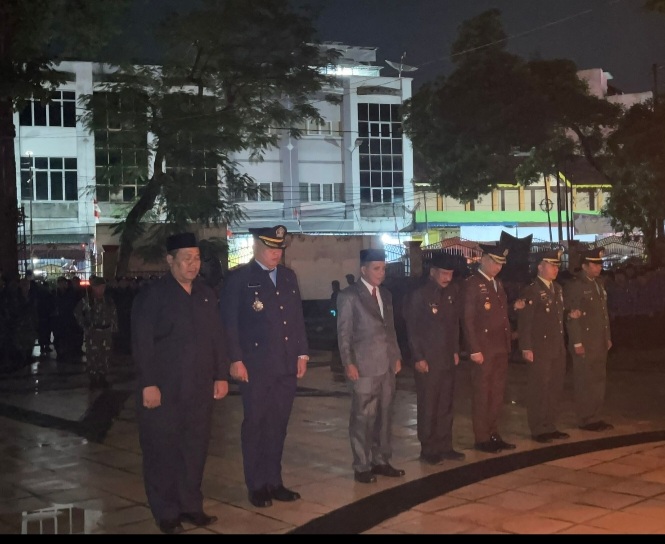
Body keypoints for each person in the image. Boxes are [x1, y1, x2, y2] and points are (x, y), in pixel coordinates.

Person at [131, 232, 230, 534]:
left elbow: (217, 337)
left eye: (196, 258)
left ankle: (191, 506)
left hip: (198, 388)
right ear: (170, 260)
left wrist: (221, 375)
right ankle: (166, 511)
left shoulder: (205, 294)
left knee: (194, 449)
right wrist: (148, 383)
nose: (193, 264)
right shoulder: (153, 296)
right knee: (162, 451)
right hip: (164, 389)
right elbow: (142, 342)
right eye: (186, 258)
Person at [219, 225, 309, 508]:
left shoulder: (288, 276)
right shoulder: (240, 279)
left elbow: (296, 317)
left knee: (278, 425)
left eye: (279, 249)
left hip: (285, 364)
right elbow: (229, 324)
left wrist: (302, 353)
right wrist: (235, 359)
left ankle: (274, 481)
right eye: (271, 248)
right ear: (256, 246)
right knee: (256, 424)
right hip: (256, 366)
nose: (276, 254)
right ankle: (256, 484)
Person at [336, 248, 404, 484]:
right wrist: (349, 363)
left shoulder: (386, 295)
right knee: (363, 417)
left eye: (383, 268)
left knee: (385, 415)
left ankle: (381, 460)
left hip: (386, 364)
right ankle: (362, 465)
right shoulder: (349, 296)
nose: (381, 273)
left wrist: (396, 355)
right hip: (363, 365)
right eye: (376, 268)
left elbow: (390, 329)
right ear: (363, 270)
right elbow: (344, 334)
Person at [403, 252, 464, 465]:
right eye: (444, 273)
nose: (448, 278)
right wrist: (418, 357)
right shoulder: (420, 295)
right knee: (429, 404)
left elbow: (454, 325)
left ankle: (445, 445)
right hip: (428, 358)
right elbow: (412, 329)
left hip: (447, 357)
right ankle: (428, 447)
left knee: (446, 403)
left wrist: (455, 350)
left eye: (451, 274)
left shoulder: (452, 293)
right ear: (433, 272)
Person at [462, 242, 523, 454]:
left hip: (499, 346)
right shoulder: (472, 284)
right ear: (483, 260)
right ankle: (482, 437)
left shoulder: (497, 284)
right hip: (483, 348)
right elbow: (468, 319)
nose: (498, 267)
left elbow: (500, 314)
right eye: (495, 263)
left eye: (501, 264)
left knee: (497, 393)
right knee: (482, 393)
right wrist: (474, 348)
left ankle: (493, 433)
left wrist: (513, 309)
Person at [517, 250, 572, 443]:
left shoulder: (557, 288)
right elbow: (526, 321)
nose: (556, 269)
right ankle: (538, 428)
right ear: (540, 267)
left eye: (557, 266)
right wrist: (526, 347)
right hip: (540, 347)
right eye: (552, 265)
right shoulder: (532, 290)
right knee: (539, 388)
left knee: (554, 387)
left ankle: (550, 424)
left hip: (556, 346)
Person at [563, 247, 613, 432]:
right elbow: (572, 316)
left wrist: (607, 337)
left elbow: (603, 314)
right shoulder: (576, 285)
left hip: (599, 340)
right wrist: (577, 342)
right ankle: (586, 418)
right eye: (595, 264)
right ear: (584, 266)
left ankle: (595, 415)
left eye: (600, 264)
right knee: (585, 380)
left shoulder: (598, 283)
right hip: (585, 340)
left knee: (598, 379)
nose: (599, 268)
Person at [74, 275, 118, 389]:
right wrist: (84, 324)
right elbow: (77, 312)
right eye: (99, 287)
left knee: (106, 355)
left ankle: (103, 376)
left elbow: (113, 314)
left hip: (106, 332)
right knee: (93, 355)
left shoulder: (108, 300)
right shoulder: (87, 300)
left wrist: (114, 328)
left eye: (103, 287)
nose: (101, 289)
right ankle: (93, 377)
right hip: (93, 332)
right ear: (94, 288)